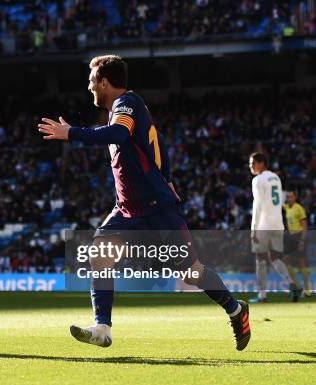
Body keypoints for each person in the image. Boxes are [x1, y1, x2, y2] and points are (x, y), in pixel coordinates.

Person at [38, 54, 251, 351]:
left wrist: (71, 133)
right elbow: (156, 147)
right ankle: (102, 327)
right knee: (99, 253)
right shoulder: (129, 109)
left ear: (105, 81)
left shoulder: (127, 104)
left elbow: (118, 134)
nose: (89, 88)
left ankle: (236, 310)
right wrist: (168, 178)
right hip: (128, 209)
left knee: (191, 272)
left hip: (157, 208)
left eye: (91, 82)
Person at [248, 152, 299, 303]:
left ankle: (262, 296)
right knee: (275, 257)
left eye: (252, 163)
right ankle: (291, 284)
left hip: (264, 224)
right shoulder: (276, 177)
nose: (250, 166)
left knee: (260, 259)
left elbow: (257, 206)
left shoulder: (257, 180)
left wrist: (254, 228)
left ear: (261, 163)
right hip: (278, 223)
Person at [283, 190, 310, 298]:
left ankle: (307, 290)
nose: (289, 198)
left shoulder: (299, 208)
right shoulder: (287, 207)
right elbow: (279, 204)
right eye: (288, 196)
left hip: (299, 236)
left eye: (291, 196)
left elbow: (305, 226)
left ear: (295, 197)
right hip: (291, 237)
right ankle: (298, 286)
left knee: (301, 263)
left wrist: (302, 241)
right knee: (286, 261)